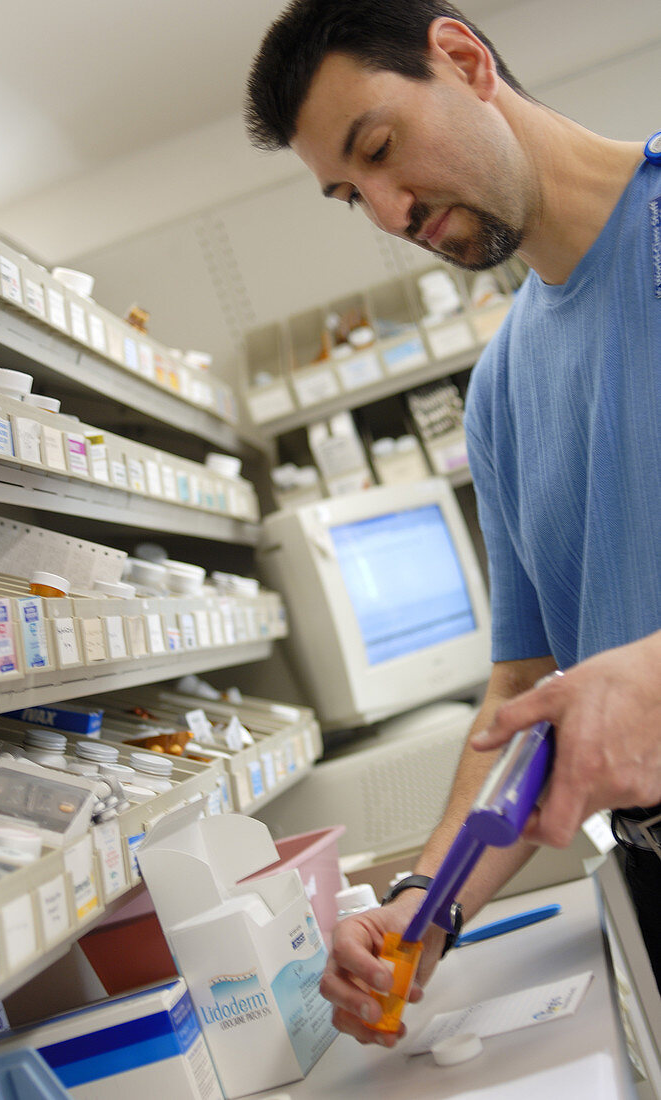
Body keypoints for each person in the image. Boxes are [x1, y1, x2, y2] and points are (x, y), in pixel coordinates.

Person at [245, 0, 661, 1041]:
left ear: (462, 58)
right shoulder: (502, 389)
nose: (387, 212)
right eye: (351, 196)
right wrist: (426, 904)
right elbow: (524, 686)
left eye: (379, 149)